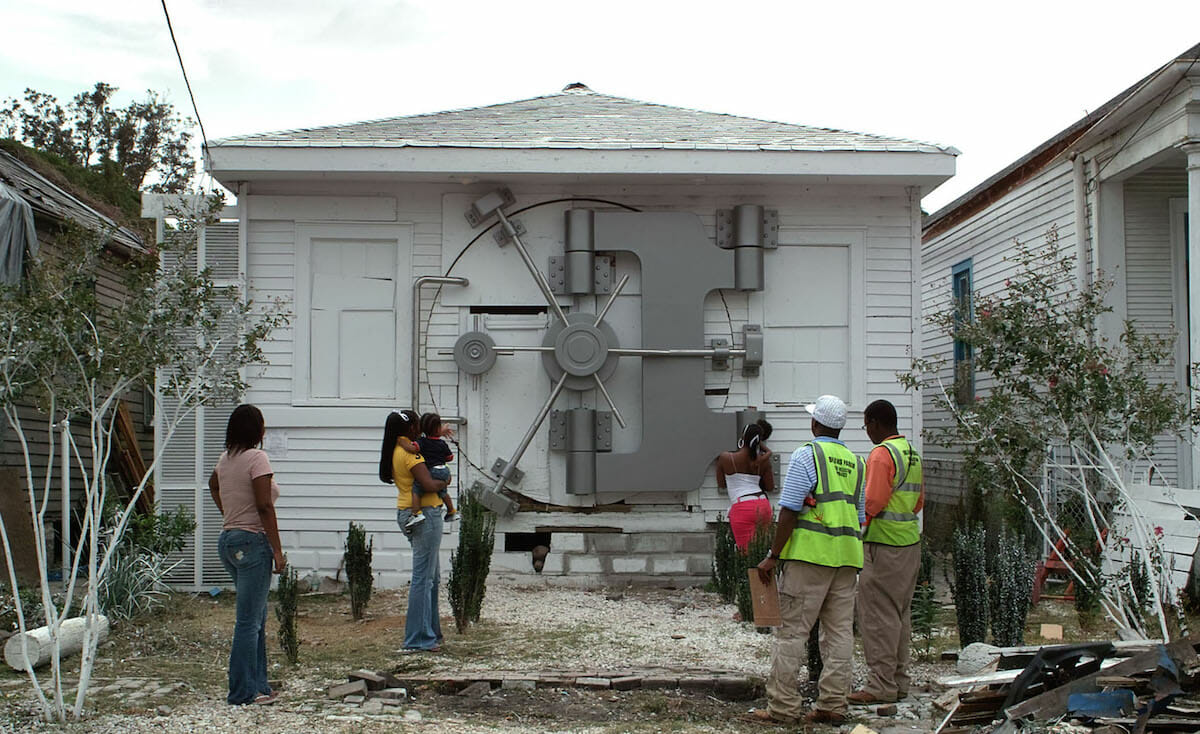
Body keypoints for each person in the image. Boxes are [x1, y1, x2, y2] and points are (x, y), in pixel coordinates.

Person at [753, 395, 864, 726]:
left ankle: (783, 708)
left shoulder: (807, 455)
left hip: (810, 557)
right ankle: (833, 704)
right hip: (846, 559)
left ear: (815, 424)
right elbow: (858, 516)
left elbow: (789, 509)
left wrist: (774, 555)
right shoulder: (857, 463)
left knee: (791, 633)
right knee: (839, 634)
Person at [207, 404, 285, 706]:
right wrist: (277, 551)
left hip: (228, 541)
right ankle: (242, 692)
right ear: (257, 430)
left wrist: (229, 514)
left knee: (256, 616)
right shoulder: (257, 458)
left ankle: (259, 685)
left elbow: (213, 486)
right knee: (248, 622)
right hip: (252, 542)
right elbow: (265, 506)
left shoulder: (225, 460)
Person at [849, 399, 925, 705]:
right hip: (910, 543)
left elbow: (873, 503)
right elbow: (918, 502)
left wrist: (854, 526)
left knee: (878, 616)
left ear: (874, 423)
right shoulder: (912, 453)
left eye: (866, 425)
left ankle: (880, 685)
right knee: (899, 614)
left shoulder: (881, 455)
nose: (867, 432)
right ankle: (898, 680)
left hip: (884, 545)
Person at [379, 409, 450, 652]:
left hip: (408, 512)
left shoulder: (398, 449)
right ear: (409, 428)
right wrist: (445, 482)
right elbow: (429, 484)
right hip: (425, 516)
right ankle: (418, 639)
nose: (419, 427)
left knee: (432, 577)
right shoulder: (412, 457)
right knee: (423, 578)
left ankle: (431, 633)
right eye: (416, 423)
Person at [716, 419, 775, 550]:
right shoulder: (762, 461)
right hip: (763, 504)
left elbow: (721, 484)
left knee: (746, 555)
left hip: (742, 506)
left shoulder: (726, 458)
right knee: (763, 552)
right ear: (759, 440)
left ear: (742, 438)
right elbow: (770, 487)